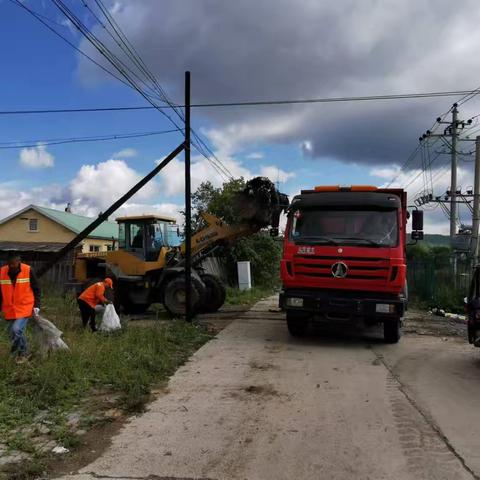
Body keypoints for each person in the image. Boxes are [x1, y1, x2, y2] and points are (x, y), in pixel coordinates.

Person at [0, 253, 41, 363]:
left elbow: (36, 289)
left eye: (14, 264)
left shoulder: (28, 270)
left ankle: (19, 353)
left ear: (19, 261)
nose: (12, 266)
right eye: (10, 264)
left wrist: (37, 305)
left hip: (25, 307)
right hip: (9, 309)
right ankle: (23, 352)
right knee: (15, 333)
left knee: (16, 330)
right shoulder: (2, 271)